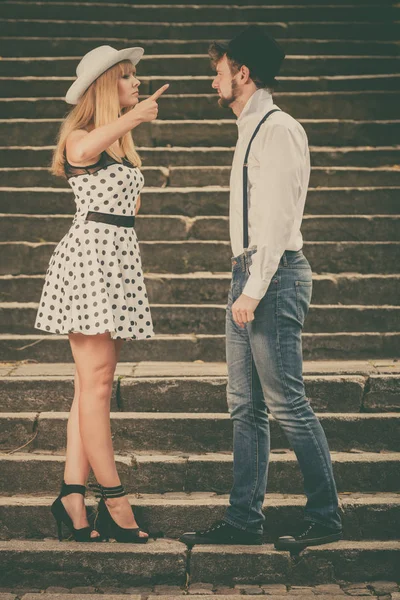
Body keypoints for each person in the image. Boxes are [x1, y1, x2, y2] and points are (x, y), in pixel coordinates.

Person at [180, 26, 343, 551]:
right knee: (244, 407)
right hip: (249, 275)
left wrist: (252, 289)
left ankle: (326, 517)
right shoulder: (251, 128)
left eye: (219, 73)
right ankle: (243, 519)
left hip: (271, 276)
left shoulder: (277, 129)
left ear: (242, 74)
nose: (214, 83)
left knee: (287, 403)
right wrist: (244, 283)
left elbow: (274, 219)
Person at [34, 45, 169, 543]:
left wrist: (129, 124)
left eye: (136, 76)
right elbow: (83, 154)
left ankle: (73, 492)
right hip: (89, 259)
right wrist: (133, 116)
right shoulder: (80, 137)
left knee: (90, 384)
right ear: (104, 88)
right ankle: (113, 498)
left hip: (113, 260)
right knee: (97, 384)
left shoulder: (121, 144)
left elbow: (127, 206)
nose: (136, 83)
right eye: (127, 77)